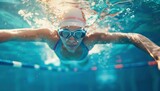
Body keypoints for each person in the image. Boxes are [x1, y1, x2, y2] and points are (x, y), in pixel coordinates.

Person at [0, 7, 160, 68]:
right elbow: (12, 34)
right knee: (62, 63)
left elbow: (132, 36)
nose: (72, 40)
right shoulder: (49, 36)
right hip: (61, 59)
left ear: (85, 33)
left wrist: (157, 52)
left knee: (82, 64)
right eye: (65, 33)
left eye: (78, 34)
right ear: (58, 32)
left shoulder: (92, 38)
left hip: (84, 61)